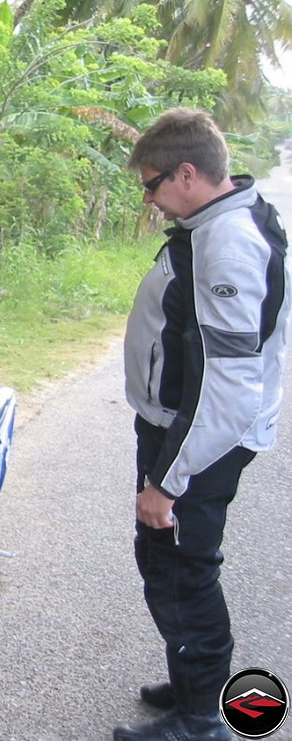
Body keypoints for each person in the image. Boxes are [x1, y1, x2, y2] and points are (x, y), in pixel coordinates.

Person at [114, 108, 291, 741]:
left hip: (199, 438)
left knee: (182, 567)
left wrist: (167, 481)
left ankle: (201, 717)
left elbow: (228, 385)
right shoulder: (213, 223)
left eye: (152, 183)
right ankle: (196, 683)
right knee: (167, 560)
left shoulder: (229, 241)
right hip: (179, 423)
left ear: (187, 173)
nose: (150, 198)